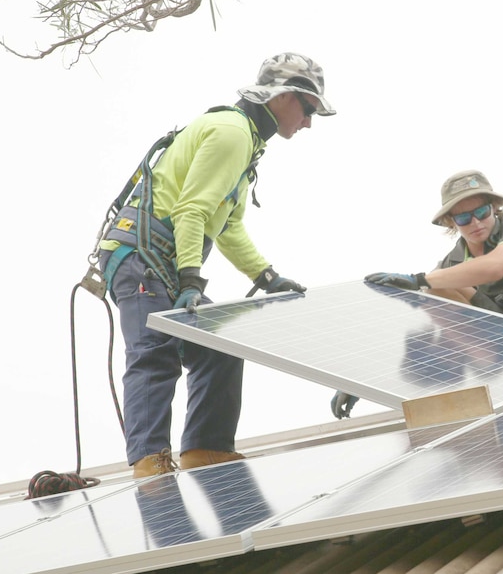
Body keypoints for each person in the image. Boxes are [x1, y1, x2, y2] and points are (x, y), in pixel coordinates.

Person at [97, 53, 336, 478]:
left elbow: (225, 227)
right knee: (156, 352)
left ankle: (205, 450)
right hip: (141, 258)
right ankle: (151, 465)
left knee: (221, 348)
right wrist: (191, 279)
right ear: (283, 97)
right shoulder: (231, 133)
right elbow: (191, 212)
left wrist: (267, 277)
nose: (309, 123)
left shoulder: (246, 140)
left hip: (165, 261)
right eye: (308, 109)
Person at [331, 169, 503, 419]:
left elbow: (496, 266)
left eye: (481, 211)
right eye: (463, 218)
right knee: (431, 291)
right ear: (451, 222)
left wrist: (420, 279)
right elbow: (417, 326)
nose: (476, 222)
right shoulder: (451, 264)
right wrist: (362, 382)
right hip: (502, 346)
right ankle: (493, 375)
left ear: (494, 208)